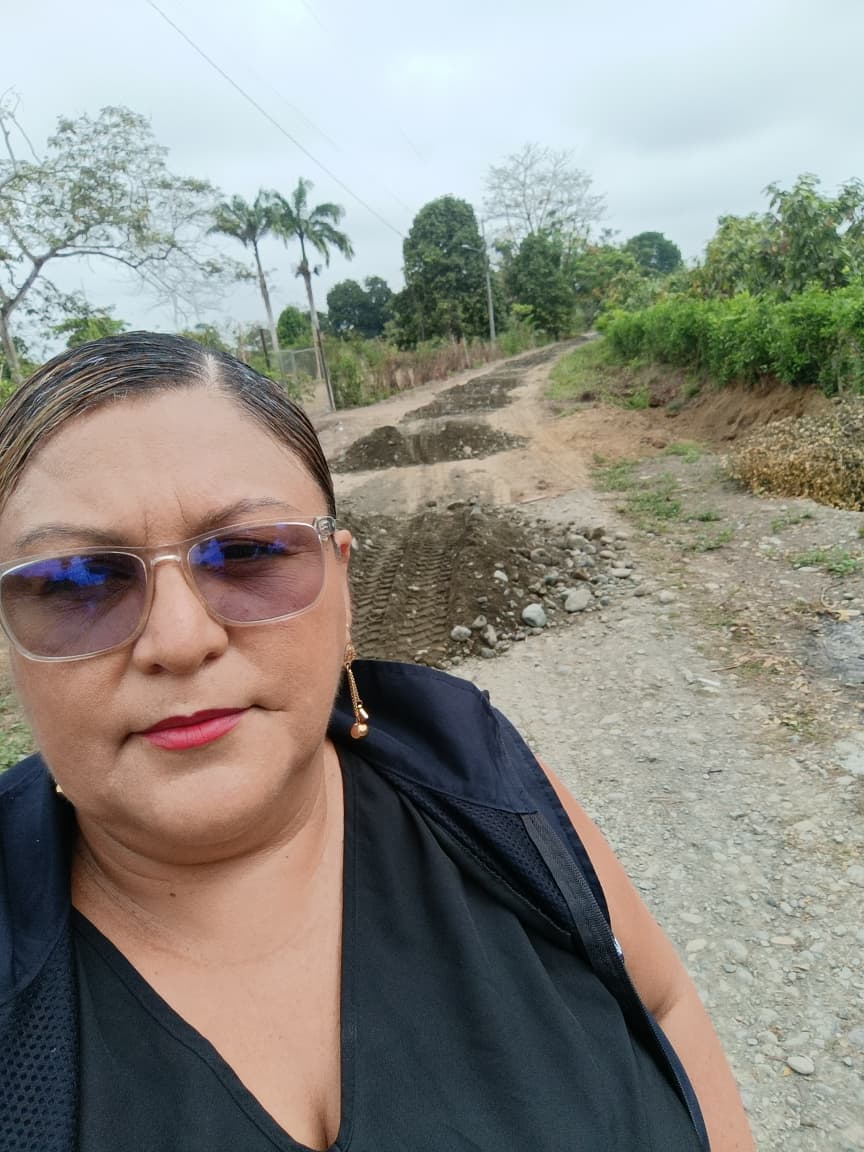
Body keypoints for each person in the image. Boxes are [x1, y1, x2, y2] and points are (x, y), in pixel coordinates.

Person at [0, 332, 753, 1152]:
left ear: (343, 584)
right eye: (76, 581)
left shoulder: (479, 780)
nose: (180, 640)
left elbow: (662, 1001)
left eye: (248, 552)